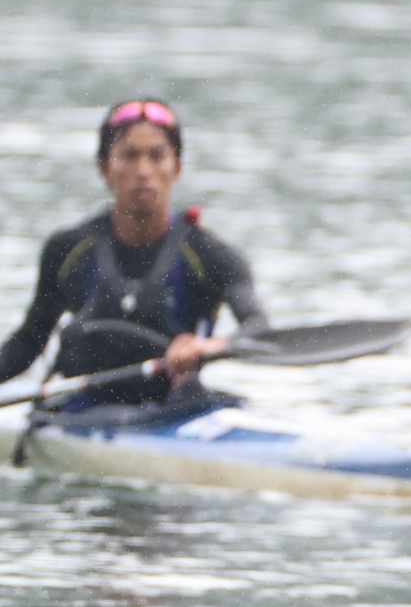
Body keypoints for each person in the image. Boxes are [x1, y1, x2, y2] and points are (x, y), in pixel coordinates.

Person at [1, 99, 267, 410]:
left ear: (176, 168)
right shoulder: (68, 250)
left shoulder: (211, 255)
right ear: (104, 168)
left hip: (176, 410)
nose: (143, 171)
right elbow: (28, 343)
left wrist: (208, 346)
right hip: (81, 412)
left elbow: (258, 327)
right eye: (129, 155)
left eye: (157, 156)